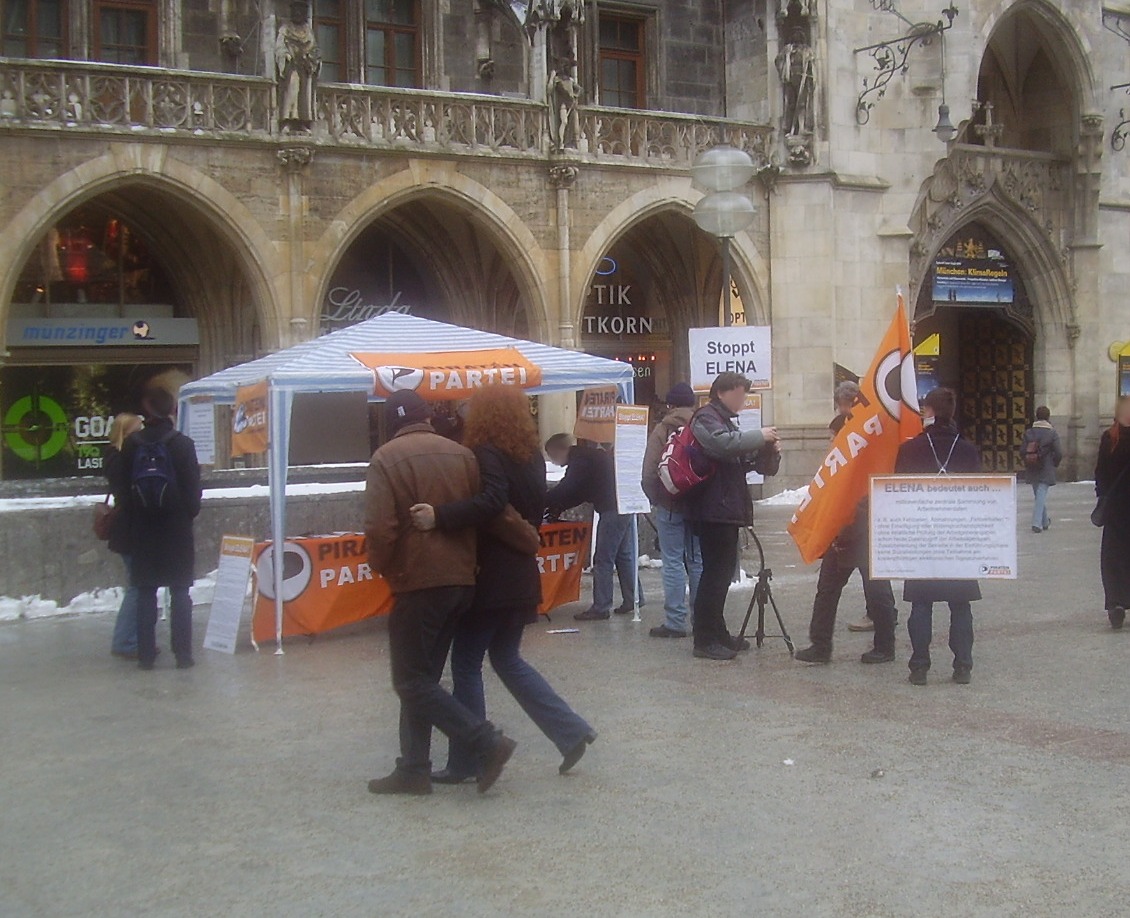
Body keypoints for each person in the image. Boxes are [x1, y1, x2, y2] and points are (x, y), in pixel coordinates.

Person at [408, 386, 596, 782]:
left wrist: (440, 516)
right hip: (522, 571)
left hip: (492, 575)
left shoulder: (486, 452)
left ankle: (471, 758)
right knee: (507, 658)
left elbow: (493, 501)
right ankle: (570, 731)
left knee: (466, 662)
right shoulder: (530, 455)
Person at [364, 390, 517, 796]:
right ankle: (413, 769)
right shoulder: (462, 455)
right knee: (423, 678)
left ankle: (485, 742)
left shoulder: (385, 458)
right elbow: (482, 511)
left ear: (391, 423)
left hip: (418, 580)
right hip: (460, 580)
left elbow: (380, 527)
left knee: (410, 681)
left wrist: (381, 565)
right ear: (427, 417)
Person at [683, 372, 780, 661]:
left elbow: (740, 458)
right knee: (714, 575)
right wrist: (758, 436)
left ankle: (718, 632)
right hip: (711, 510)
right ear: (721, 393)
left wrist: (768, 452)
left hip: (724, 509)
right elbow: (722, 445)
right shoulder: (706, 417)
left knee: (722, 574)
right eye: (739, 394)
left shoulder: (725, 421)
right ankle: (704, 639)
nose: (742, 400)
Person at [108, 388, 201, 671]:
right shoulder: (183, 444)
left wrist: (139, 514)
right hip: (176, 530)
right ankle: (183, 655)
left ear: (147, 410)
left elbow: (122, 491)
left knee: (146, 591)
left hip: (143, 530)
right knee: (180, 592)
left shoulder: (132, 445)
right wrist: (182, 515)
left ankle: (146, 656)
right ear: (172, 410)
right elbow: (194, 494)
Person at [894, 387, 982, 685]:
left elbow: (898, 497)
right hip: (958, 539)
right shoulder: (968, 450)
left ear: (928, 411)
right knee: (961, 605)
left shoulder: (910, 450)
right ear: (952, 412)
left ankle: (919, 667)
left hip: (923, 537)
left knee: (921, 604)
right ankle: (963, 666)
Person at [545, 433, 643, 620]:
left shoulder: (579, 460)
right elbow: (580, 491)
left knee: (603, 559)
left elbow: (569, 487)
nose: (553, 461)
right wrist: (558, 506)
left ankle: (601, 607)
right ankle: (634, 598)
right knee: (623, 556)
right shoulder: (586, 457)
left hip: (611, 509)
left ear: (560, 450)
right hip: (623, 505)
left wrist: (544, 500)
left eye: (552, 456)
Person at [792, 496, 897, 665]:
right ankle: (820, 646)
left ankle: (885, 646)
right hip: (844, 532)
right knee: (827, 590)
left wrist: (842, 534)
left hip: (866, 536)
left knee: (877, 593)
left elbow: (866, 503)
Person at [641, 382, 702, 638]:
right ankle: (702, 619)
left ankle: (675, 621)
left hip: (670, 504)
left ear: (670, 405)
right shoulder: (703, 426)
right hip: (698, 504)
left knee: (673, 561)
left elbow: (648, 472)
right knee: (697, 561)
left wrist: (657, 498)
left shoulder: (663, 428)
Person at [829, 381, 878, 635]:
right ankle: (881, 616)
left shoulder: (852, 427)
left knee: (863, 569)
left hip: (858, 510)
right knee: (871, 569)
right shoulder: (865, 425)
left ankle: (879, 616)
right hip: (865, 507)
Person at [105, 412, 144, 659]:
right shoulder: (121, 459)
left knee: (136, 584)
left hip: (126, 529)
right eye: (137, 430)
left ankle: (129, 638)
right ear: (126, 433)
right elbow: (128, 494)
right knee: (137, 586)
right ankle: (125, 640)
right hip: (129, 530)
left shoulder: (115, 457)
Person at [1095, 396, 1130, 629]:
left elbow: (1100, 473)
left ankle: (1116, 602)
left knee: (1113, 558)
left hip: (1116, 509)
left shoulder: (1110, 437)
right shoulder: (1110, 437)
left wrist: (1103, 496)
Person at [1020, 406, 1064, 534]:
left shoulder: (1029, 432)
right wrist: (1054, 463)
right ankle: (1036, 523)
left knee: (1039, 495)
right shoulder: (1052, 433)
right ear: (1048, 417)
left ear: (1036, 416)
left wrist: (1029, 460)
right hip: (1046, 467)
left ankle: (1044, 521)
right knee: (1041, 495)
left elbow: (1022, 450)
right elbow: (1059, 452)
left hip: (1032, 467)